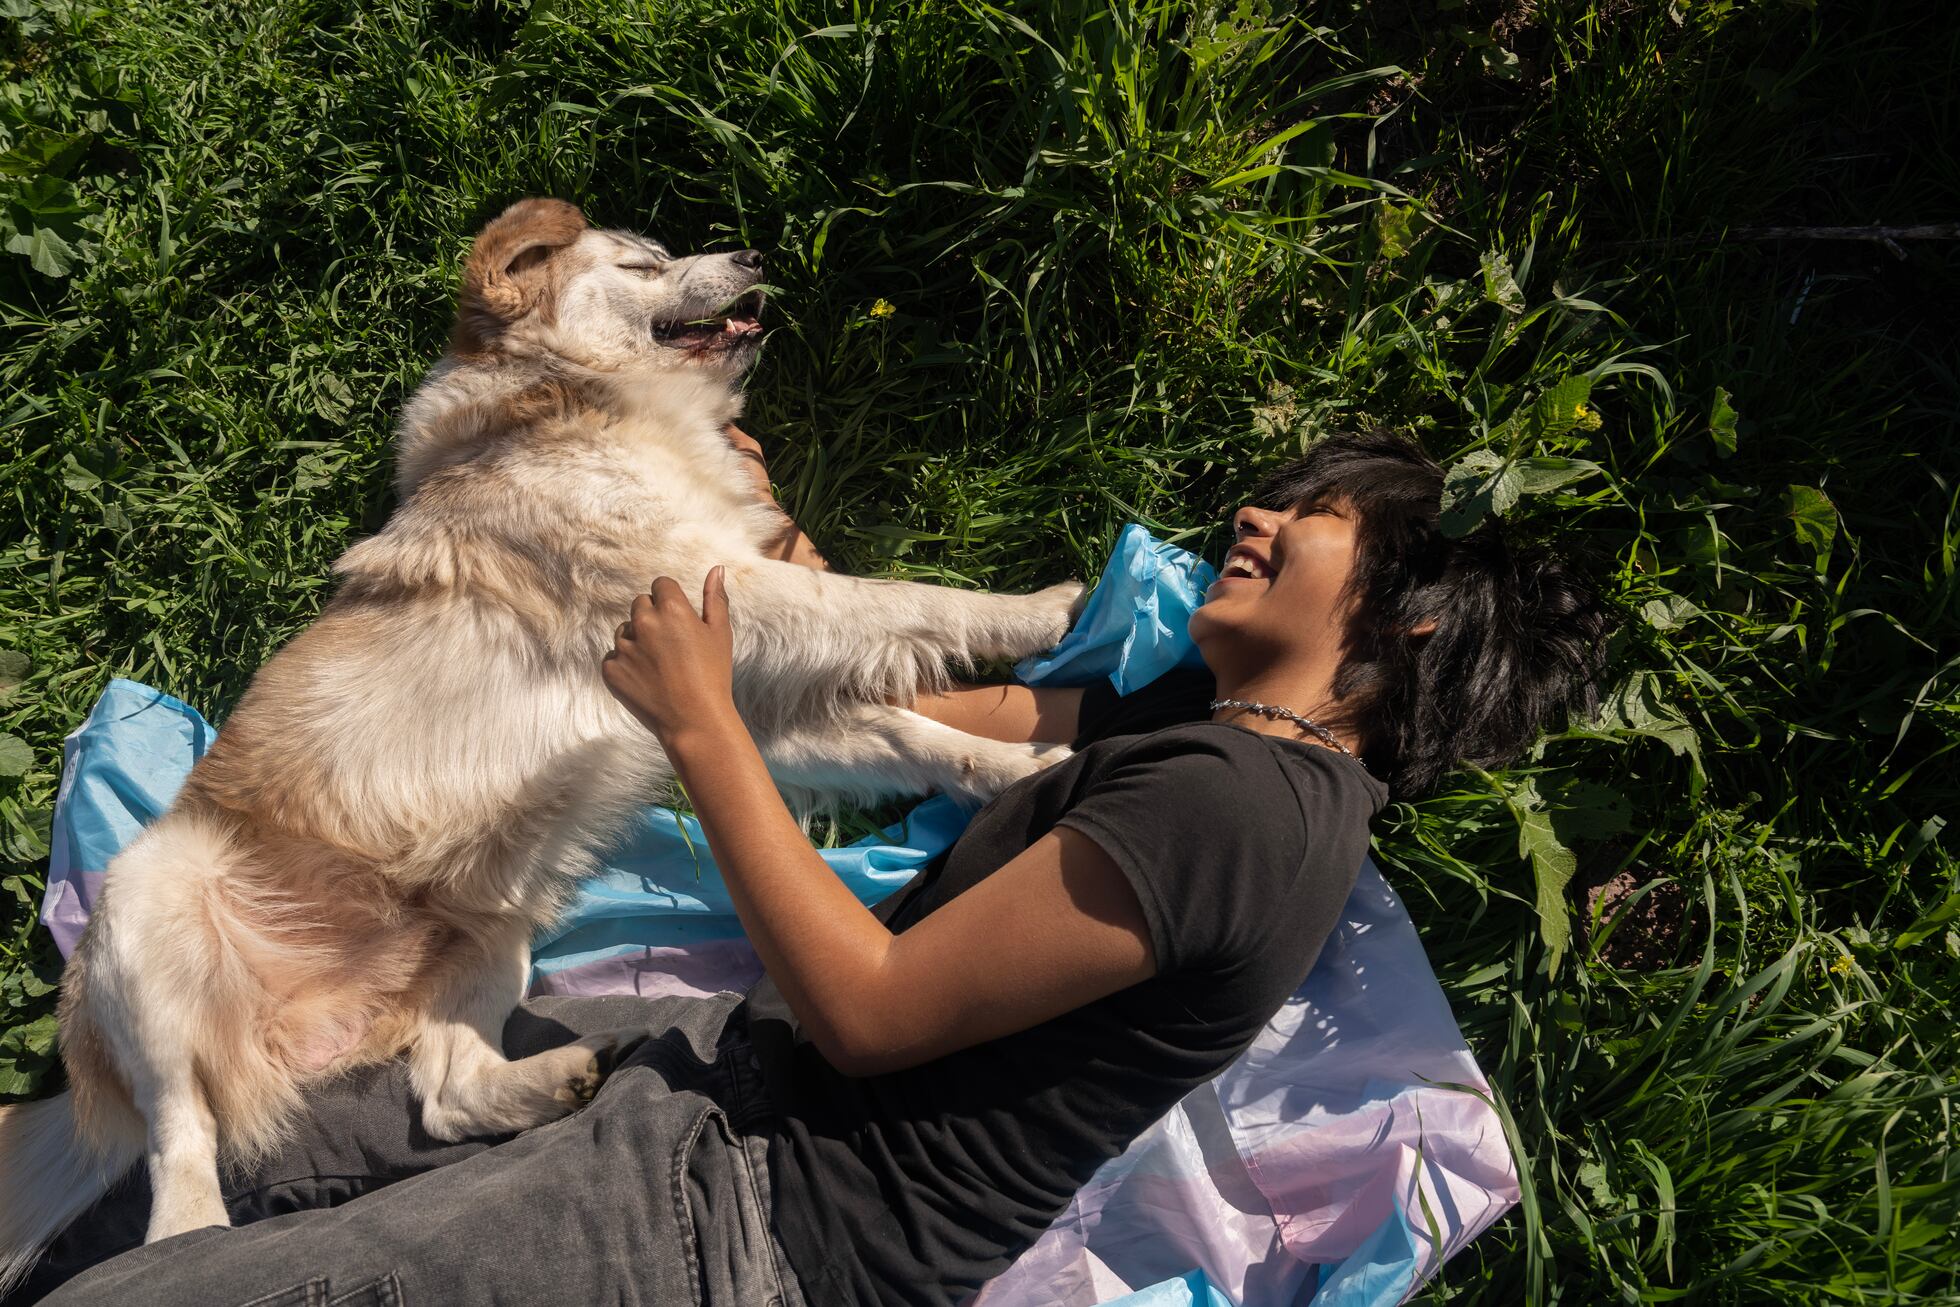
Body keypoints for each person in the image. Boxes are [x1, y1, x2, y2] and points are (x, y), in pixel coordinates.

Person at [13, 430, 1611, 1306]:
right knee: (198, 1181)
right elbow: (946, 711)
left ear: (1412, 619)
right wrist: (777, 595)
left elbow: (873, 1008)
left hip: (757, 1229)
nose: (1258, 515)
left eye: (1316, 517)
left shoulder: (1249, 814)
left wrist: (707, 726)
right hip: (712, 1100)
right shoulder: (1230, 751)